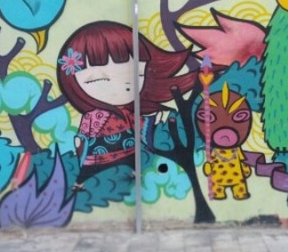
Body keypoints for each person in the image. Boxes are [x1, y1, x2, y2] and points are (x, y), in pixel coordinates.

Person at [56, 20, 196, 190]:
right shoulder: (93, 116)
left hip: (126, 149)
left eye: (139, 74)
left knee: (132, 163)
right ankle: (79, 184)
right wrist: (81, 142)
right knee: (89, 169)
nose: (126, 85)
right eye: (99, 79)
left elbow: (139, 124)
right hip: (99, 151)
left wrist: (154, 119)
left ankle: (134, 175)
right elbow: (85, 133)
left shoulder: (127, 111)